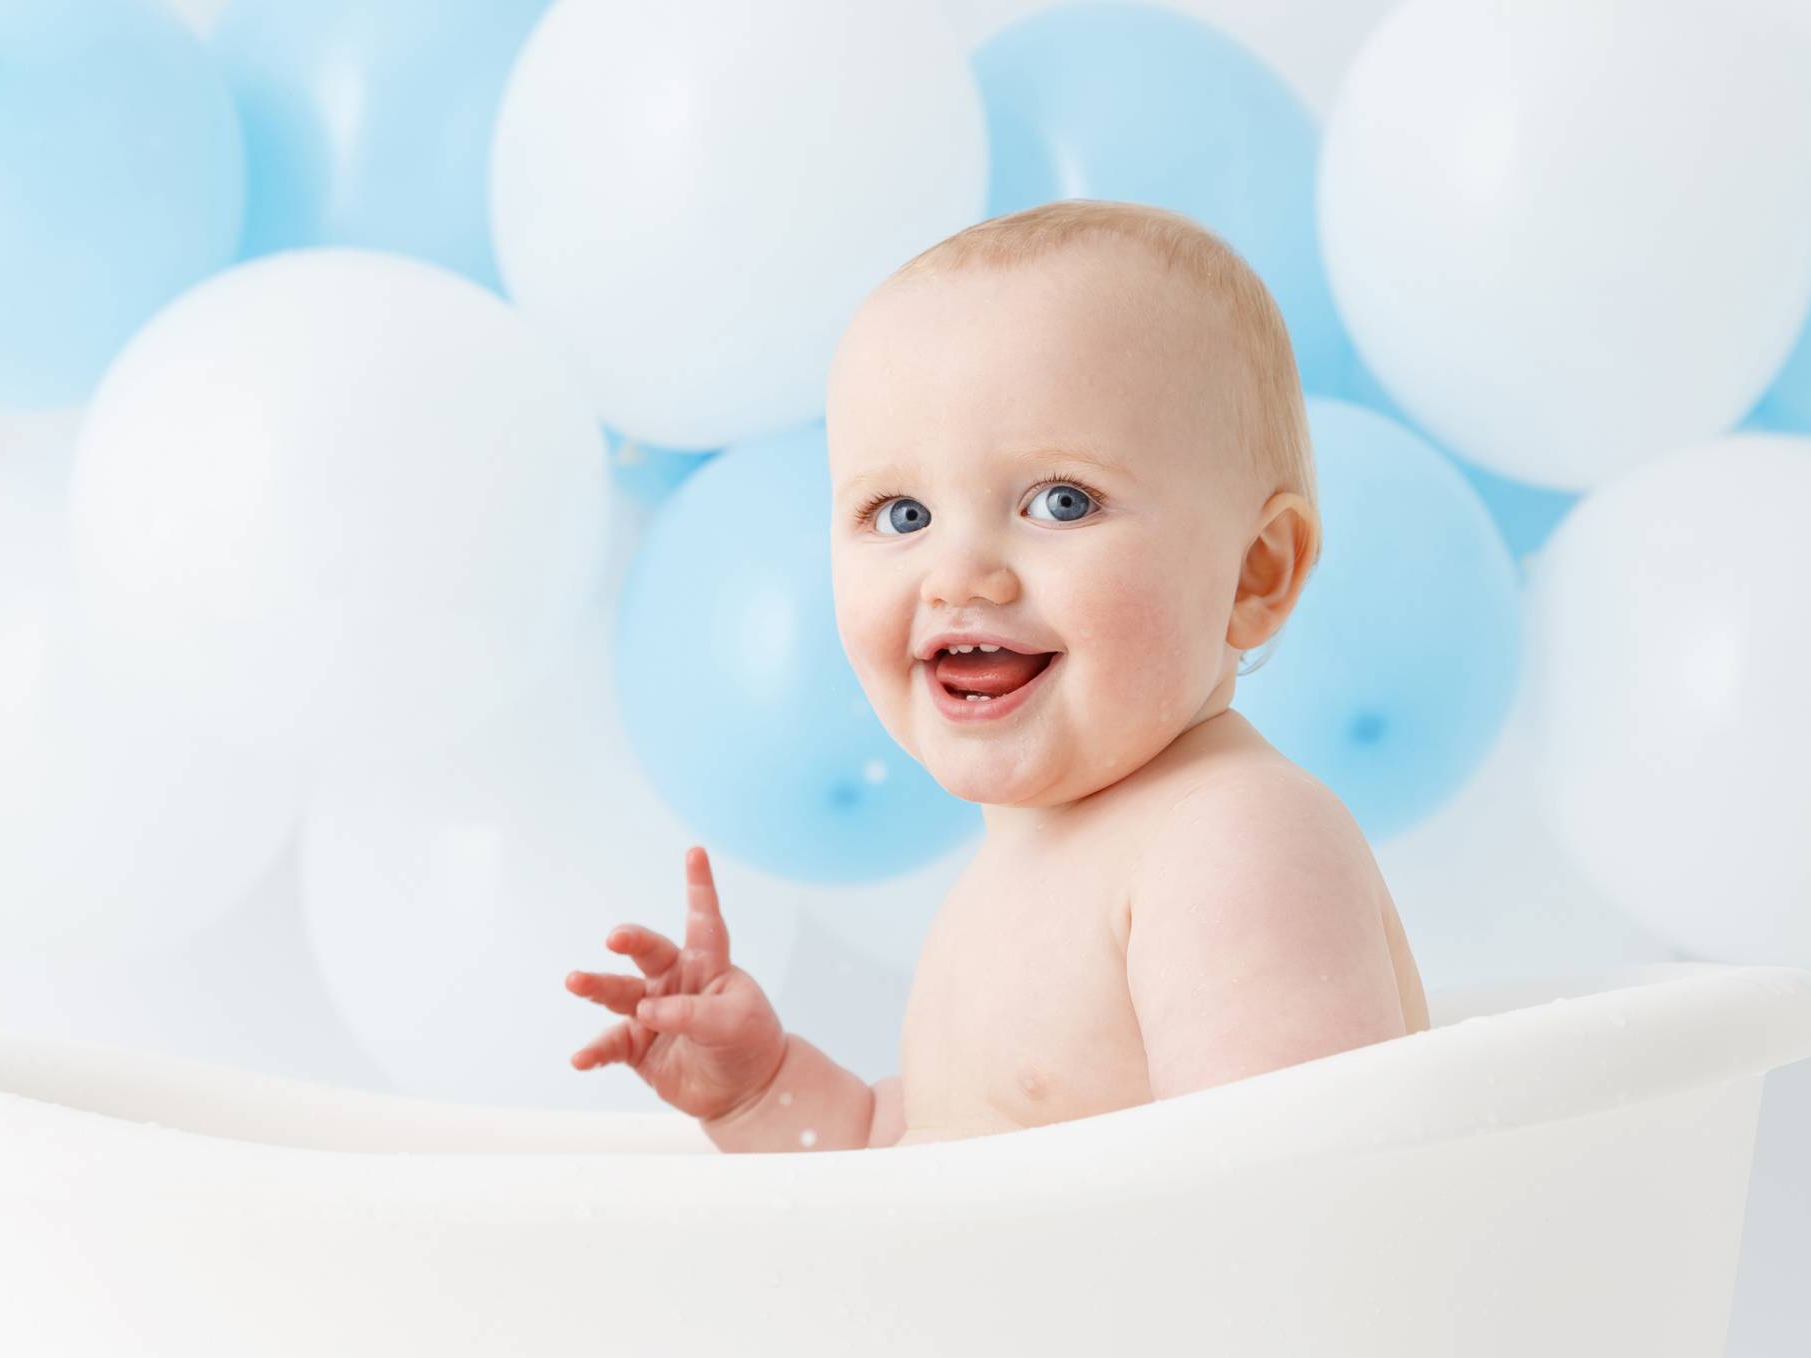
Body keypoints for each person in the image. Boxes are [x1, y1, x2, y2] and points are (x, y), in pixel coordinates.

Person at [566, 199, 1428, 1152]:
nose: (961, 574)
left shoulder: (1232, 838)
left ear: (1254, 571)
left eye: (1061, 501)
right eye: (901, 515)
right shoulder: (1006, 881)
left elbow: (1299, 1194)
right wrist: (761, 1094)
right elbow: (931, 1164)